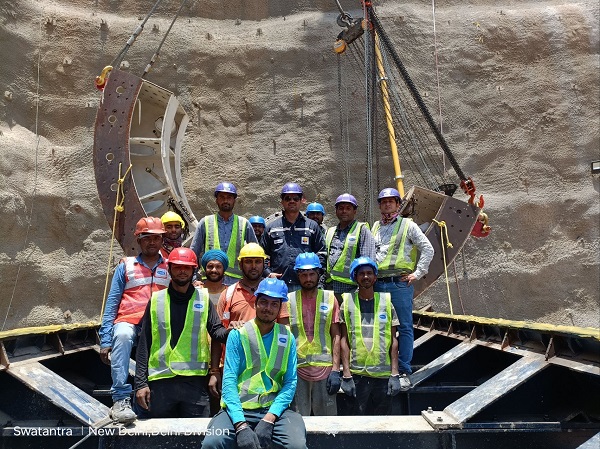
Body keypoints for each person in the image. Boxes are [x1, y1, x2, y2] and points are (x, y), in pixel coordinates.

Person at [201, 278, 307, 449]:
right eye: (264, 302)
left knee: (297, 445)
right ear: (256, 302)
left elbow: (290, 382)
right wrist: (240, 425)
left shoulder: (287, 338)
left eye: (274, 304)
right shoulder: (238, 335)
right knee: (212, 443)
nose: (268, 308)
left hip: (274, 409)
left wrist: (270, 418)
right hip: (237, 409)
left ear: (280, 308)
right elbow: (229, 383)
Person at [134, 248, 229, 418]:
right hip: (161, 383)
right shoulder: (156, 300)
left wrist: (234, 331)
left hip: (195, 384)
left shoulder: (203, 299)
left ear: (194, 270)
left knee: (196, 440)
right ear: (169, 269)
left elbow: (217, 332)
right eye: (177, 267)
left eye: (187, 267)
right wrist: (140, 383)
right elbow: (144, 344)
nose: (182, 271)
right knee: (161, 439)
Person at [98, 216, 169, 424]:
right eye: (146, 237)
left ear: (162, 240)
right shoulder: (126, 266)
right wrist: (105, 339)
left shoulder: (171, 266)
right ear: (138, 240)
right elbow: (112, 303)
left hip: (158, 323)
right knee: (122, 335)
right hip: (129, 321)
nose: (152, 242)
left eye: (156, 238)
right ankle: (120, 399)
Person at [372, 187, 434, 390]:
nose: (387, 204)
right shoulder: (374, 228)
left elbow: (427, 248)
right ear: (380, 205)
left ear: (398, 205)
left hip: (399, 284)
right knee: (381, 327)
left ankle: (405, 369)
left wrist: (418, 273)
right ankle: (386, 367)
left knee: (405, 327)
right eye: (383, 201)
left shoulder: (408, 225)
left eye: (391, 201)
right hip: (379, 284)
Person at [339, 257, 401, 415]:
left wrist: (395, 374)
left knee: (383, 424)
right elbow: (343, 340)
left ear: (375, 277)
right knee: (356, 422)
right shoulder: (347, 303)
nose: (365, 277)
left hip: (383, 375)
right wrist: (346, 374)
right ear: (355, 277)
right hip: (357, 374)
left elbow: (394, 341)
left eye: (369, 273)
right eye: (361, 273)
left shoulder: (386, 302)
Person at [287, 253, 343, 416]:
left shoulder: (329, 298)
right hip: (297, 369)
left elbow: (336, 335)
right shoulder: (289, 300)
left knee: (327, 423)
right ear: (298, 275)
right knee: (298, 420)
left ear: (318, 274)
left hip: (324, 370)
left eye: (312, 274)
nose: (308, 278)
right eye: (303, 275)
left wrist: (335, 370)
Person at [261, 182, 326, 292]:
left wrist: (314, 275)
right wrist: (268, 273)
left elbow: (321, 253)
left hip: (305, 286)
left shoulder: (312, 226)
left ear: (302, 201)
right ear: (282, 201)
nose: (292, 201)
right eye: (287, 198)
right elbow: (261, 255)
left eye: (295, 198)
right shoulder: (272, 228)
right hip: (278, 284)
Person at [191, 182, 258, 286]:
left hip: (236, 284)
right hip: (209, 282)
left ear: (234, 201)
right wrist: (194, 279)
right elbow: (193, 253)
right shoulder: (205, 222)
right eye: (222, 197)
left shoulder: (244, 223)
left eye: (229, 197)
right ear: (216, 200)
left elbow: (256, 254)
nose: (226, 200)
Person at [217, 243, 289, 329]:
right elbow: (219, 331)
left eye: (258, 262)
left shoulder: (275, 292)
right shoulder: (228, 294)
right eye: (248, 262)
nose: (253, 266)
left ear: (264, 265)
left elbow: (284, 330)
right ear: (240, 265)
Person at [324, 193, 376, 301]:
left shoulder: (361, 230)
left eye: (348, 208)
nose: (344, 211)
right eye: (341, 208)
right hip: (331, 289)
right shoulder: (330, 231)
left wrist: (362, 288)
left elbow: (367, 262)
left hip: (352, 290)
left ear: (354, 211)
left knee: (352, 317)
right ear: (336, 211)